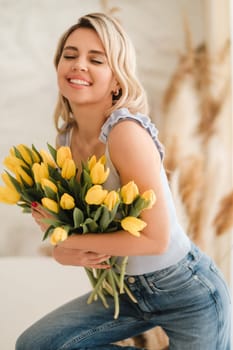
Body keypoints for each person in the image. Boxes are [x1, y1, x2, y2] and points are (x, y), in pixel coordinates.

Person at [15, 12, 231, 350]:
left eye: (96, 59)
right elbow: (78, 230)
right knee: (37, 345)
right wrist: (62, 249)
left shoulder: (125, 133)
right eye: (69, 55)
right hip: (126, 293)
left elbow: (155, 239)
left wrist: (70, 241)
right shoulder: (65, 141)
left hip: (187, 292)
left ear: (117, 80)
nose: (79, 65)